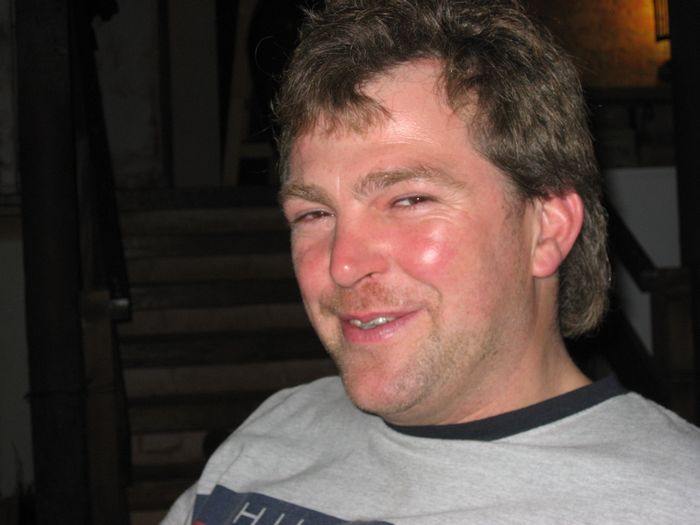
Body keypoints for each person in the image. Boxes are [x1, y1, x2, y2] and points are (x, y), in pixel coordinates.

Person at [164, 1, 700, 523]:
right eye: (314, 214)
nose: (342, 266)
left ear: (547, 229)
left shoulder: (675, 499)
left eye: (408, 200)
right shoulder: (276, 428)